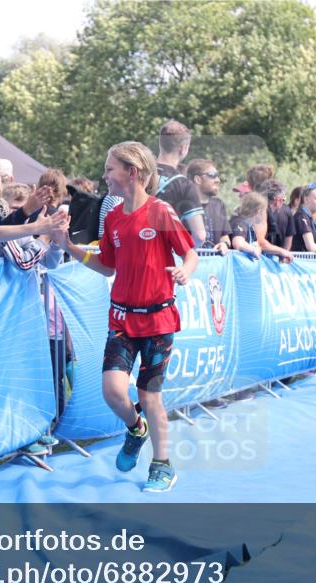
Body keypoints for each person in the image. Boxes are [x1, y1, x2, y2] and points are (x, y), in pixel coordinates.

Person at [60, 141, 198, 493]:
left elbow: (190, 253)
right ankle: (136, 429)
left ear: (132, 172)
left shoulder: (161, 212)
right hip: (122, 320)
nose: (104, 175)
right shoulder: (113, 217)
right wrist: (70, 248)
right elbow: (107, 266)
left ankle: (162, 465)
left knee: (149, 396)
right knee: (112, 391)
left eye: (110, 169)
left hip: (159, 321)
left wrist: (185, 270)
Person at [155, 120, 206, 246]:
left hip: (131, 251)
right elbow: (200, 236)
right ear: (184, 149)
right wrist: (184, 252)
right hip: (165, 254)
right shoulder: (183, 184)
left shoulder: (138, 174)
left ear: (160, 143)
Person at [186, 158, 231, 253]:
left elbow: (224, 236)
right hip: (190, 261)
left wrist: (224, 244)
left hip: (214, 261)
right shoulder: (182, 206)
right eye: (212, 175)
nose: (218, 180)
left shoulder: (219, 204)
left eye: (217, 176)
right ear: (198, 179)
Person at [228, 192, 266, 258]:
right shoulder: (240, 222)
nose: (265, 215)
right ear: (258, 211)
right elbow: (238, 243)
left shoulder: (250, 226)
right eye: (264, 211)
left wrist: (256, 247)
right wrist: (253, 250)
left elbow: (256, 245)